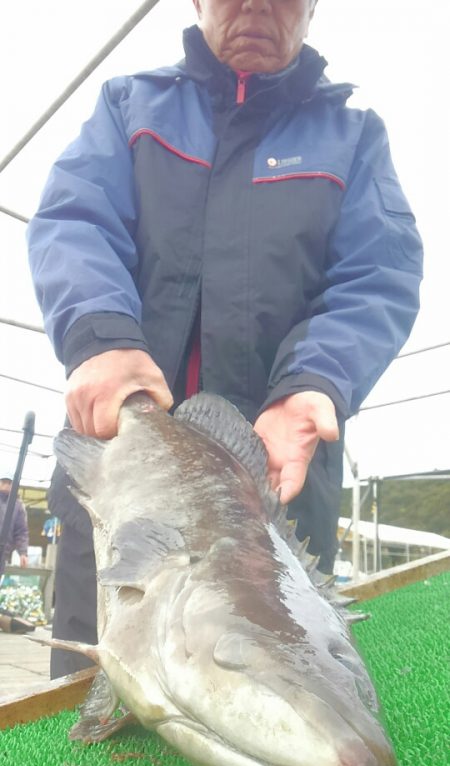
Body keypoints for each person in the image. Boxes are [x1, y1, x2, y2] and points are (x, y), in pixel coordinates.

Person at [27, 0, 423, 677]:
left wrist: (313, 385)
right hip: (124, 474)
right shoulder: (129, 106)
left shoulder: (352, 135)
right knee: (100, 688)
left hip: (276, 489)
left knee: (277, 675)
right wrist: (101, 336)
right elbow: (75, 221)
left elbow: (378, 275)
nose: (257, 4)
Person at [0, 474, 34, 634]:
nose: (6, 485)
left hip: (2, 554)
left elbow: (21, 531)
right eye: (3, 482)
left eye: (9, 482)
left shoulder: (18, 505)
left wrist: (23, 552)